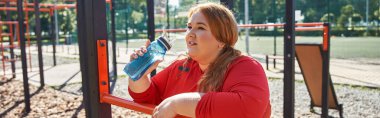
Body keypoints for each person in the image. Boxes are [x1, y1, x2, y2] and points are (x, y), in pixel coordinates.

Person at [128, 2, 270, 118]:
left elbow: (247, 109)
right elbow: (148, 97)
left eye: (200, 27)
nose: (190, 33)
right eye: (189, 27)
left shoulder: (245, 66)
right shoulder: (182, 65)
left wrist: (176, 104)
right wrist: (138, 75)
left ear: (222, 40)